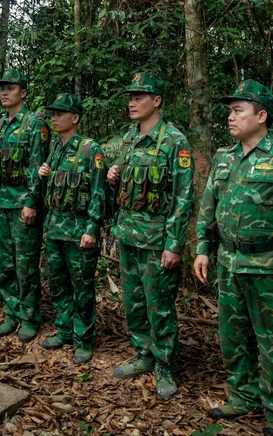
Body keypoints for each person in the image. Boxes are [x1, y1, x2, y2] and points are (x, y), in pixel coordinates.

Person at [194, 80, 273, 436]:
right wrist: (202, 247)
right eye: (230, 111)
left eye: (237, 110)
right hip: (229, 264)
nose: (230, 117)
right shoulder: (223, 157)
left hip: (270, 267)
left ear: (261, 116)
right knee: (232, 338)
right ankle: (244, 397)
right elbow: (208, 205)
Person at [106, 72, 194, 399]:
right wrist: (115, 175)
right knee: (133, 302)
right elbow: (130, 182)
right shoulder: (129, 138)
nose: (132, 102)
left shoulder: (174, 141)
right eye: (130, 96)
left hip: (158, 241)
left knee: (159, 306)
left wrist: (174, 245)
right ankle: (143, 353)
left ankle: (165, 363)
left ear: (156, 101)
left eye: (139, 96)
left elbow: (184, 196)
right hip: (129, 235)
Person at [37, 93, 105, 364]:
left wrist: (92, 229)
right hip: (55, 229)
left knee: (82, 288)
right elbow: (52, 191)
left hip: (79, 233)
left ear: (74, 118)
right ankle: (64, 329)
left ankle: (84, 338)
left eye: (60, 113)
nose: (54, 118)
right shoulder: (55, 148)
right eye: (52, 113)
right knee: (58, 285)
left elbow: (99, 194)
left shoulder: (90, 149)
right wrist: (43, 175)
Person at [0, 68, 50, 342]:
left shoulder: (36, 124)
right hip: (2, 202)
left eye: (10, 87)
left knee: (25, 264)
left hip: (23, 203)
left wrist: (32, 202)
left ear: (23, 92)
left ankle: (29, 317)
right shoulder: (0, 125)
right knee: (4, 264)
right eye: (2, 88)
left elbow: (38, 166)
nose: (4, 92)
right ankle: (12, 312)